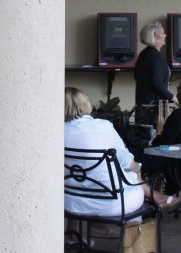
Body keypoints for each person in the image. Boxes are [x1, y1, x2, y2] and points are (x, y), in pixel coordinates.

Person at [63, 87, 168, 217]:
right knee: (131, 172)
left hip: (70, 203)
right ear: (85, 104)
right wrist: (137, 169)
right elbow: (125, 161)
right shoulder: (103, 126)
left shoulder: (55, 132)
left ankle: (90, 228)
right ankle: (136, 225)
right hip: (111, 204)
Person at [134, 21, 173, 128]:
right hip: (153, 107)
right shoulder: (156, 57)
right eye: (163, 33)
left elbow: (136, 76)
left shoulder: (144, 54)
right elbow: (157, 83)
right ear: (156, 38)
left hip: (142, 105)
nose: (165, 35)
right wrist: (172, 97)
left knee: (143, 133)